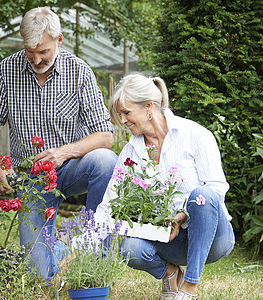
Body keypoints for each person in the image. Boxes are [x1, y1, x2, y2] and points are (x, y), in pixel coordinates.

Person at [0, 6, 117, 278]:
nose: (37, 59)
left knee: (105, 161)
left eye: (44, 52)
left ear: (59, 41)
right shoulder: (7, 70)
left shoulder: (79, 72)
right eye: (30, 53)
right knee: (38, 273)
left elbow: (105, 136)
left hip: (72, 167)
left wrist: (64, 153)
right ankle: (62, 250)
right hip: (31, 178)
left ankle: (96, 247)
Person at [89, 73, 235, 300]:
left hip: (212, 238)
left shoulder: (195, 135)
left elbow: (216, 190)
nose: (123, 120)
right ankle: (171, 273)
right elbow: (109, 203)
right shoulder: (131, 152)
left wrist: (182, 216)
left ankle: (190, 286)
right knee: (130, 249)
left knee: (202, 195)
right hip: (169, 240)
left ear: (148, 107)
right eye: (120, 114)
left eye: (127, 113)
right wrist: (82, 241)